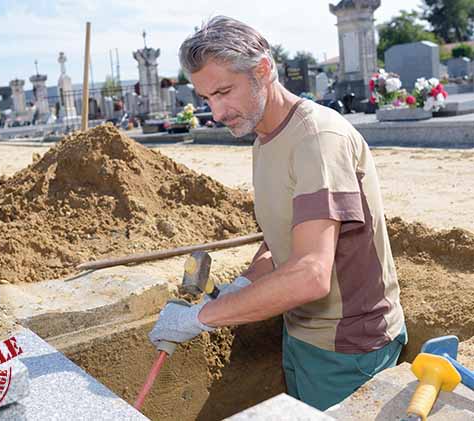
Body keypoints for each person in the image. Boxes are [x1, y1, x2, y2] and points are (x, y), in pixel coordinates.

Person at [148, 16, 406, 411]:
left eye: (223, 92)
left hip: (348, 348)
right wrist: (244, 284)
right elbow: (280, 239)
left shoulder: (317, 140)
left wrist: (202, 316)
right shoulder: (265, 138)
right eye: (206, 99)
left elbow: (310, 274)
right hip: (302, 335)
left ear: (263, 70)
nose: (216, 112)